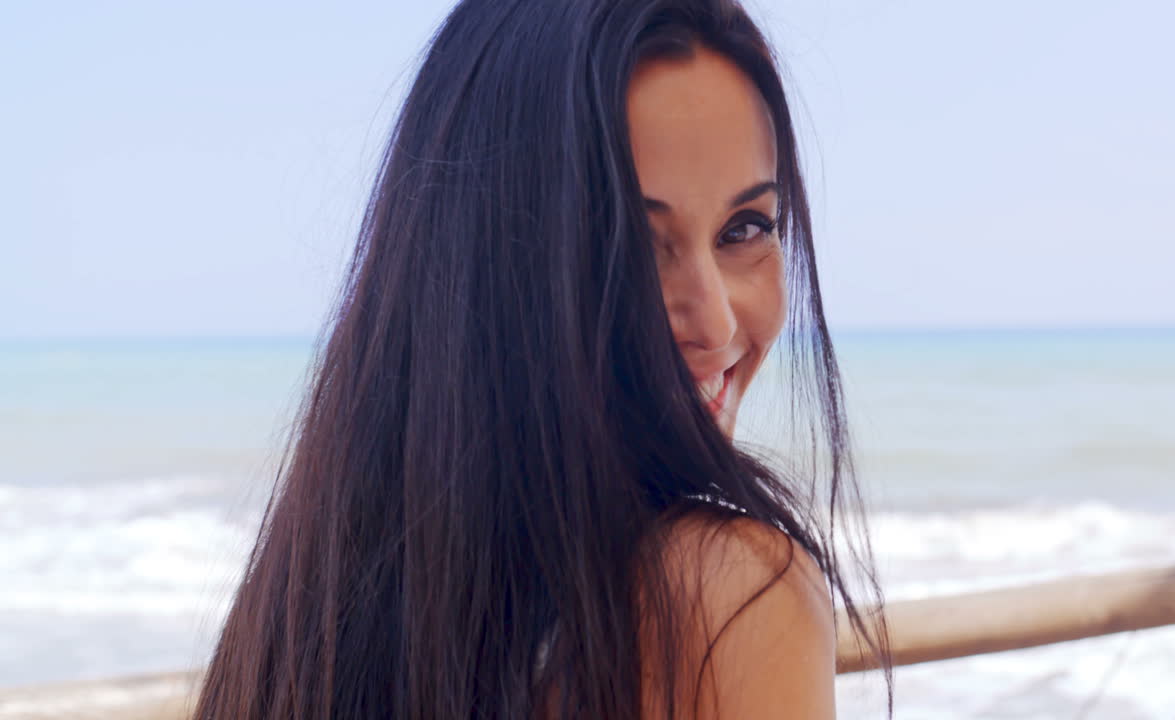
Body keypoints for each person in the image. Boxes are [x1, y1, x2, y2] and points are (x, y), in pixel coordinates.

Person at [195, 0, 890, 718]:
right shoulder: (732, 595)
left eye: (745, 228)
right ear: (489, 266)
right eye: (630, 245)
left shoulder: (307, 622)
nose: (715, 324)